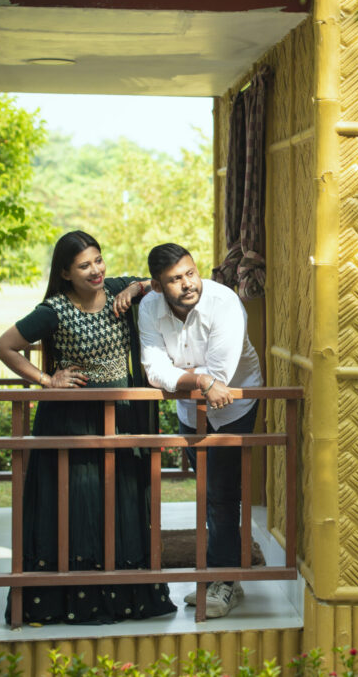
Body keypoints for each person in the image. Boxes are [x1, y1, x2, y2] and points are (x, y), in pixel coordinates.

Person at [0, 230, 176, 625]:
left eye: (98, 259)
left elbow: (162, 281)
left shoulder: (117, 290)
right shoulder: (54, 310)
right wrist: (46, 380)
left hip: (122, 416)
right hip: (70, 418)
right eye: (83, 265)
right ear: (64, 273)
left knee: (123, 500)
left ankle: (128, 599)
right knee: (74, 504)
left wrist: (141, 285)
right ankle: (64, 602)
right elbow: (4, 346)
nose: (95, 270)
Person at [138, 243, 263, 618]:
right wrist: (197, 379)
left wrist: (196, 379)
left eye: (190, 273)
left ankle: (220, 581)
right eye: (175, 279)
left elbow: (221, 377)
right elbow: (154, 368)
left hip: (234, 406)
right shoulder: (149, 307)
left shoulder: (224, 303)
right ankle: (224, 575)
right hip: (191, 409)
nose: (188, 284)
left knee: (222, 493)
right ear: (158, 287)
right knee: (208, 491)